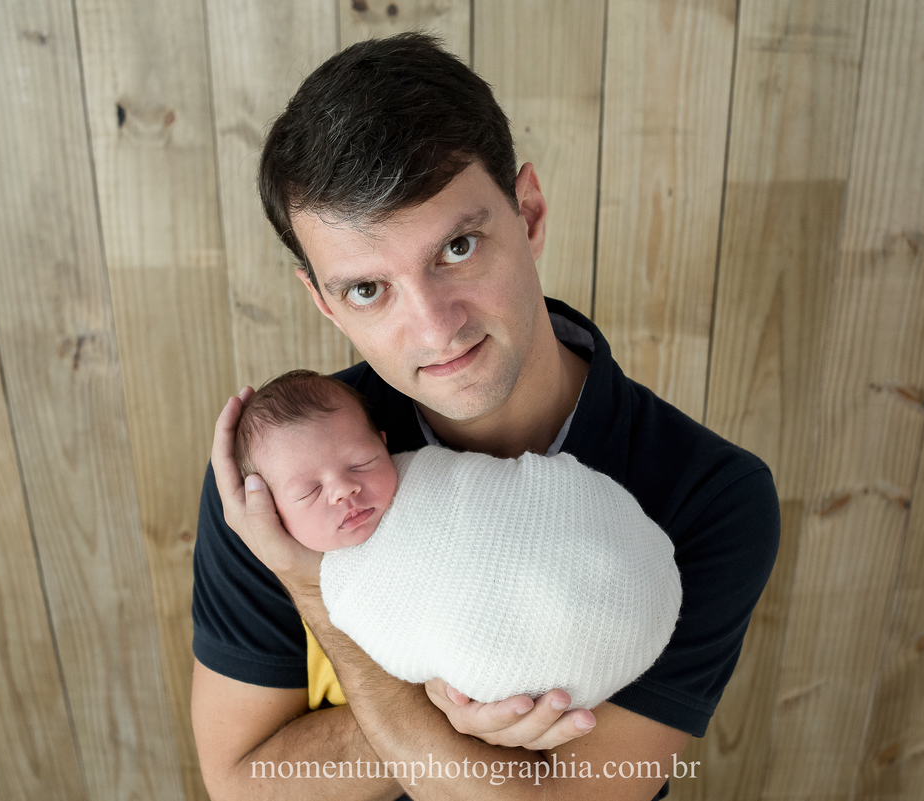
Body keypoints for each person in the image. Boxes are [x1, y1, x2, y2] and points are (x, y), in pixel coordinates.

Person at [191, 32, 780, 801]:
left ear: (528, 214)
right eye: (368, 289)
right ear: (324, 301)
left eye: (458, 247)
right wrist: (444, 700)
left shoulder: (712, 494)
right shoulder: (283, 475)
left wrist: (324, 598)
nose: (435, 327)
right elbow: (243, 784)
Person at [232, 368, 682, 712]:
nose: (343, 489)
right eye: (309, 492)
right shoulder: (278, 571)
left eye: (361, 462)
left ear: (384, 444)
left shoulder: (430, 481)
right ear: (266, 509)